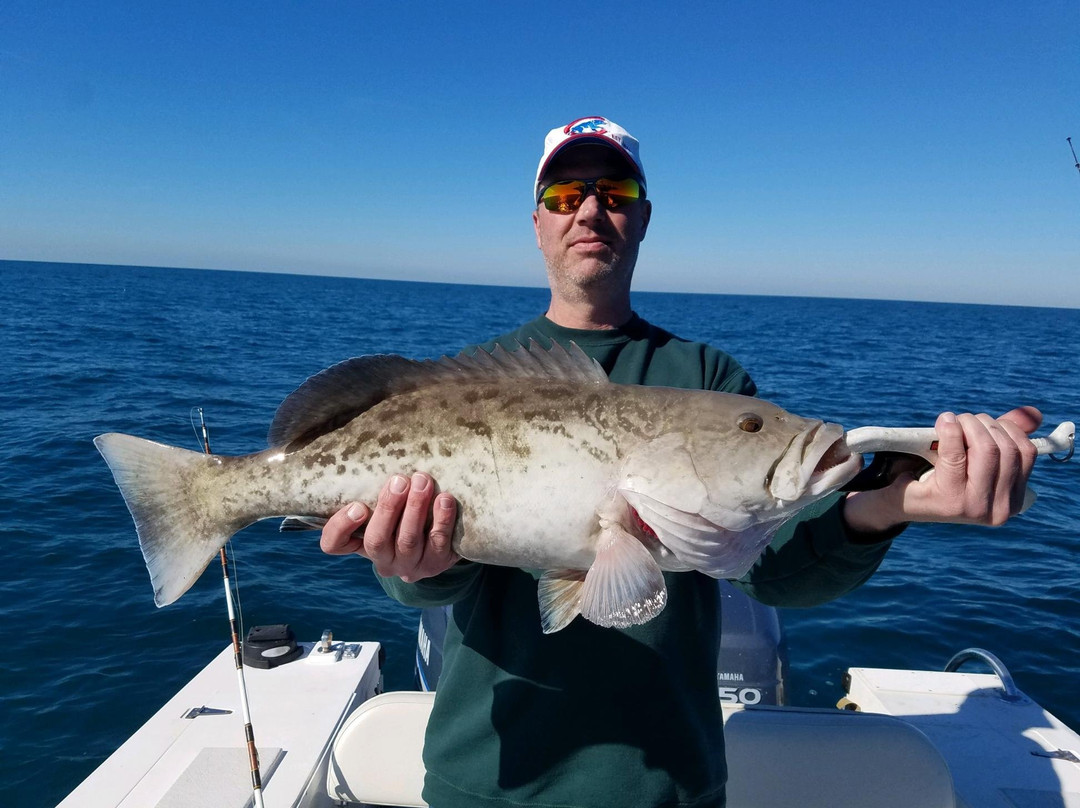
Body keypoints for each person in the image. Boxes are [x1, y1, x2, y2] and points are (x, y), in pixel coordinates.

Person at [321, 116, 1041, 807]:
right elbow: (414, 591)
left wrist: (894, 502)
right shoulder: (475, 377)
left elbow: (770, 564)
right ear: (537, 222)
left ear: (644, 216)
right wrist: (413, 563)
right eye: (566, 197)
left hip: (672, 786)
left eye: (617, 193)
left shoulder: (707, 377)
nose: (592, 211)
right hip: (487, 783)